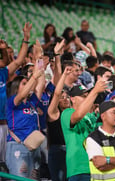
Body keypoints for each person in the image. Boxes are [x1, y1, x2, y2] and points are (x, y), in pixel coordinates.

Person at [6, 59, 44, 179]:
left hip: (34, 147)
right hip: (18, 146)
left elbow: (41, 85)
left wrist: (41, 62)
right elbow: (21, 95)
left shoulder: (32, 103)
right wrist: (33, 77)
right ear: (16, 87)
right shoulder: (12, 102)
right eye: (24, 83)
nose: (28, 85)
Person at [60, 80, 107, 180]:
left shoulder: (92, 116)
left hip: (97, 167)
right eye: (83, 97)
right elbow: (78, 115)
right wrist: (94, 92)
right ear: (72, 99)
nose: (87, 99)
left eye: (87, 96)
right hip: (79, 168)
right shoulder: (67, 113)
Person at [0, 23, 32, 165]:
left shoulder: (3, 73)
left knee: (3, 164)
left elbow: (18, 61)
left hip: (5, 125)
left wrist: (25, 38)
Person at [47, 67, 72, 181]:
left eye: (67, 97)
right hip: (58, 151)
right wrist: (64, 75)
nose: (65, 99)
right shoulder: (54, 114)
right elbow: (57, 93)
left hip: (71, 151)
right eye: (62, 98)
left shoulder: (72, 114)